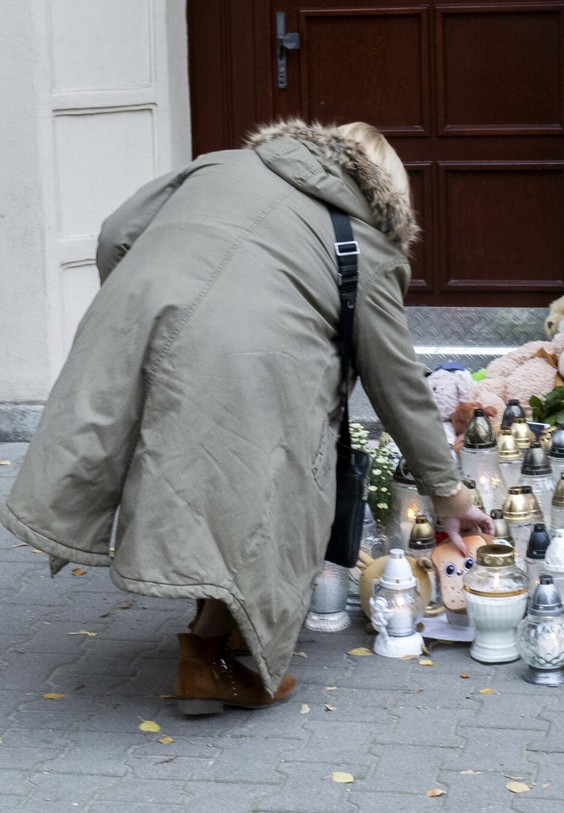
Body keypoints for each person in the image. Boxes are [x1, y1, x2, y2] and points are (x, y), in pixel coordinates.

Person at [0, 120, 492, 714]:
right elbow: (398, 382)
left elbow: (115, 235)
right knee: (266, 500)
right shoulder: (365, 242)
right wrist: (447, 492)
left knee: (188, 477)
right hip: (257, 362)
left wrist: (143, 304)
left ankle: (215, 635)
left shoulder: (218, 164)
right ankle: (206, 661)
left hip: (139, 327)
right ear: (387, 192)